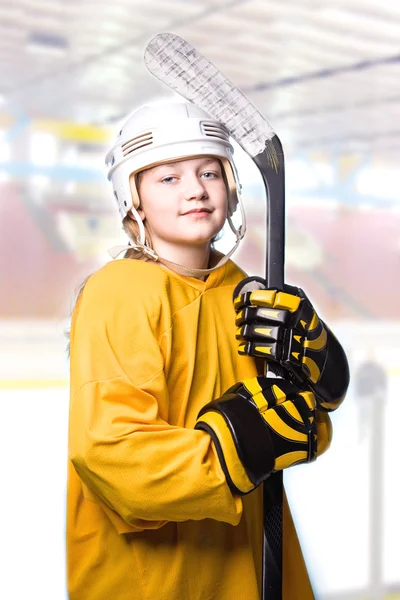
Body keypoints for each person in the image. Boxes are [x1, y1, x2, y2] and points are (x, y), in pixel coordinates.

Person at [66, 102, 349, 600]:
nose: (196, 188)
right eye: (168, 178)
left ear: (231, 186)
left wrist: (318, 373)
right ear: (133, 199)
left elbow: (296, 428)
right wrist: (231, 451)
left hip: (252, 566)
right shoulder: (120, 292)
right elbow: (109, 455)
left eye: (209, 172)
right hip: (158, 579)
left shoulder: (246, 292)